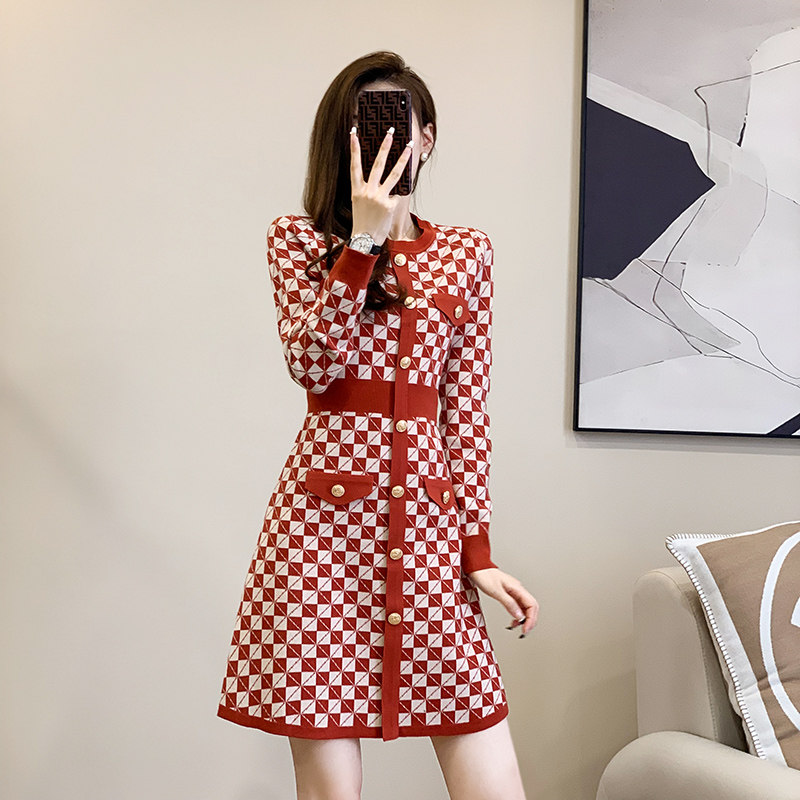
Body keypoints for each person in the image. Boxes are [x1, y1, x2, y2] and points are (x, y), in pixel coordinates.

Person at [217, 50, 539, 800]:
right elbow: (312, 366)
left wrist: (478, 552)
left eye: (401, 122)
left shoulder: (467, 253)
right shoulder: (297, 240)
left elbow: (466, 414)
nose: (386, 138)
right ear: (342, 140)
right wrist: (361, 243)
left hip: (426, 530)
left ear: (427, 137)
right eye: (364, 124)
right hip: (318, 542)